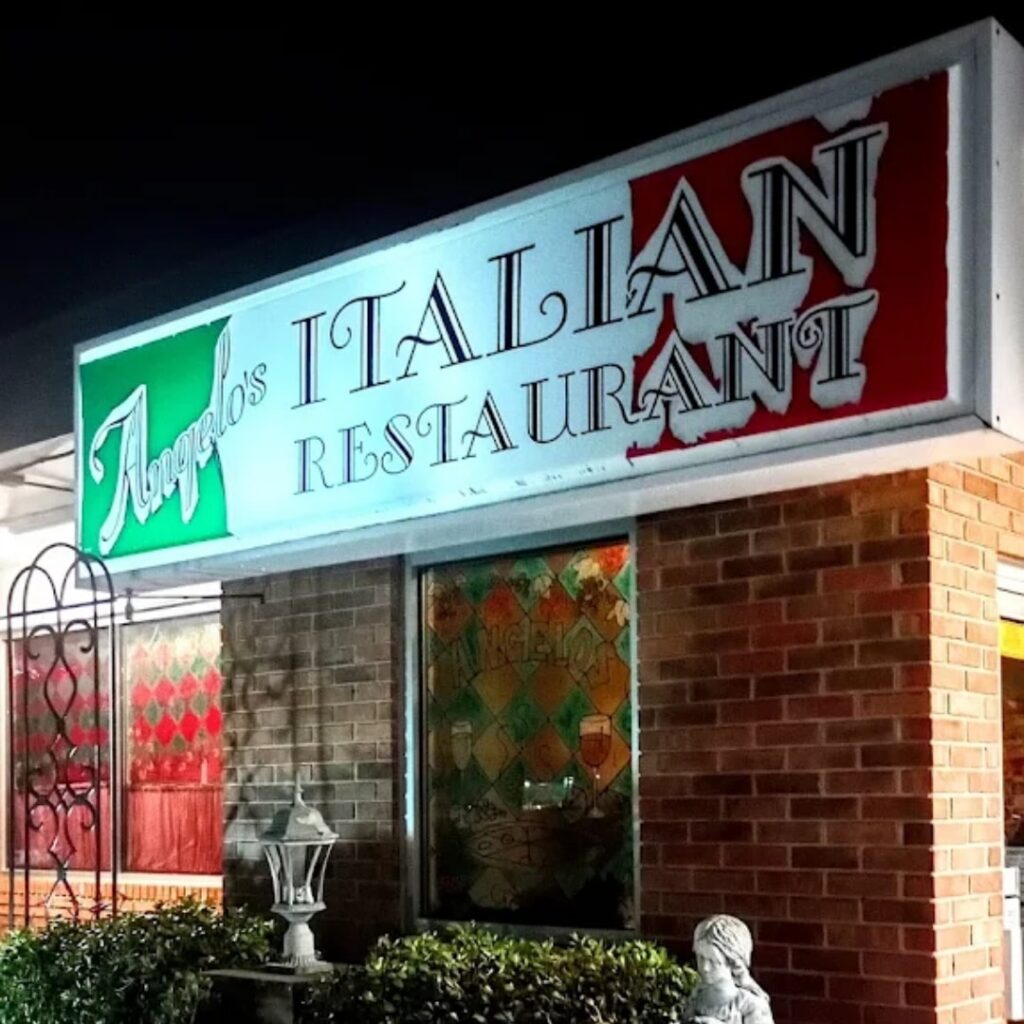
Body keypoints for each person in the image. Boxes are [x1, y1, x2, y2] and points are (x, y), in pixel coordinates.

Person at [683, 915, 773, 1024]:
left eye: (713, 961)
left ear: (732, 962)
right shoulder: (697, 996)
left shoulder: (750, 1005)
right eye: (701, 958)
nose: (705, 967)